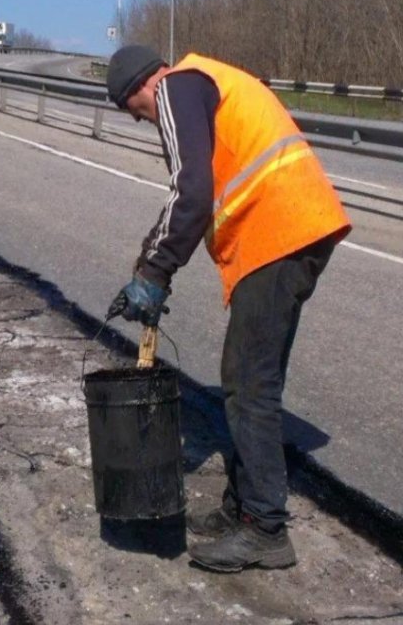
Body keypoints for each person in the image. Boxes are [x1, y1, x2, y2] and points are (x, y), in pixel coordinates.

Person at [106, 45, 351, 573]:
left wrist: (153, 273)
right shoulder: (203, 82)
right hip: (292, 228)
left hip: (278, 232)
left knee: (248, 382)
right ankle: (242, 508)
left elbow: (189, 194)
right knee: (245, 376)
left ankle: (265, 529)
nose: (142, 120)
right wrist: (150, 265)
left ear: (141, 88)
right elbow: (193, 197)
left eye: (135, 111)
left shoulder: (175, 87)